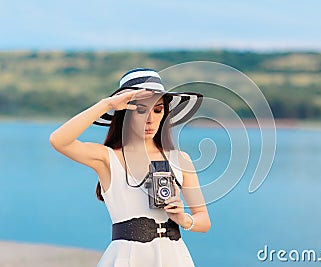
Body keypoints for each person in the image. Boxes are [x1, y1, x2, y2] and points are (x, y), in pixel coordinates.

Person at [49, 68, 211, 266]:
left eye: (158, 110)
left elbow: (203, 221)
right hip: (128, 258)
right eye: (141, 110)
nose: (150, 119)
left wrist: (183, 219)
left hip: (174, 257)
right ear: (124, 112)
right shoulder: (107, 158)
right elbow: (58, 140)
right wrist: (108, 104)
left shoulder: (180, 160)